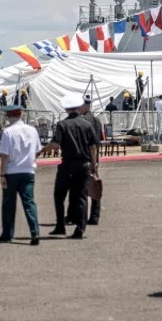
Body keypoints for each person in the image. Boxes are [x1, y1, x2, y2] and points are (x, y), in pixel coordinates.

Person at [43, 94, 100, 239]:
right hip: (84, 164)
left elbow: (55, 144)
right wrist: (94, 165)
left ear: (66, 108)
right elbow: (92, 147)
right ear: (79, 107)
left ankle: (60, 225)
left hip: (67, 164)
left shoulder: (62, 124)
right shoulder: (87, 124)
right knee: (81, 196)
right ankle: (80, 228)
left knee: (59, 195)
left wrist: (41, 150)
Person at [0, 103, 42, 246]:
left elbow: (4, 155)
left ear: (9, 116)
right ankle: (35, 231)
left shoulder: (8, 132)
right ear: (21, 115)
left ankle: (7, 233)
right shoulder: (32, 130)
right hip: (28, 171)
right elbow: (38, 150)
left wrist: (2, 175)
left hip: (12, 171)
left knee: (9, 204)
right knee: (29, 202)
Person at [68, 94, 105, 226]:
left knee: (79, 188)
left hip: (84, 158)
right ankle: (94, 216)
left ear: (84, 106)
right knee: (95, 186)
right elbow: (99, 139)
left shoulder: (83, 121)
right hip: (95, 158)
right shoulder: (97, 121)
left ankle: (76, 216)